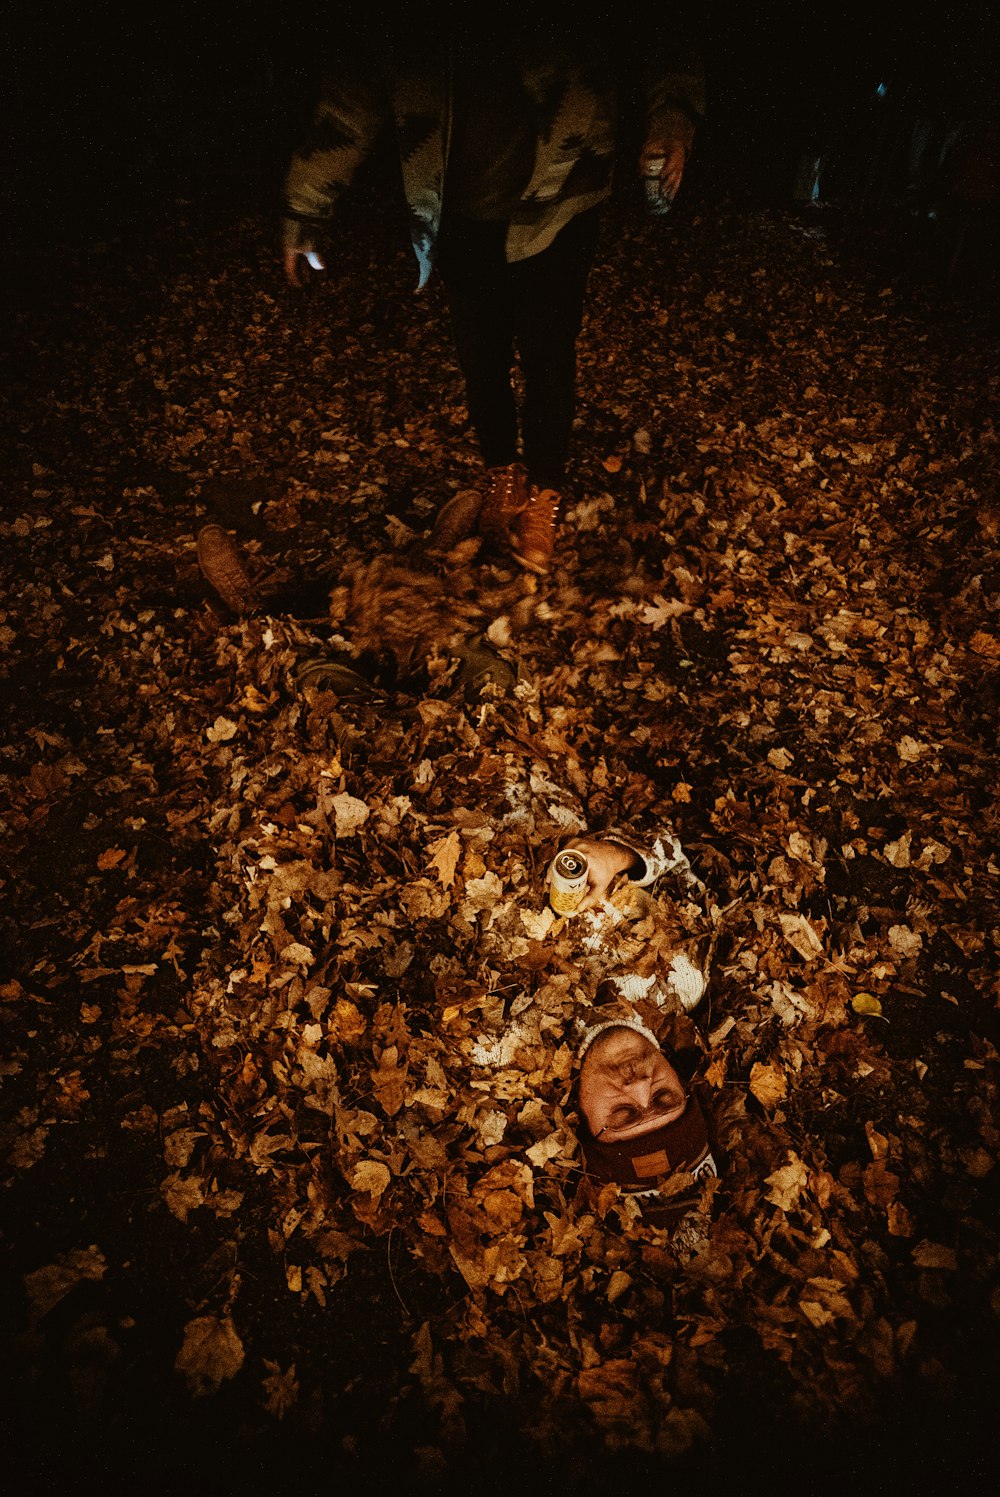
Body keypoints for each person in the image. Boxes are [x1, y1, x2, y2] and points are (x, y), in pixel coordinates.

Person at [281, 7, 705, 574]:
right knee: (480, 361)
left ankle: (545, 495)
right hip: (459, 215)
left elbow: (663, 32)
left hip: (561, 203)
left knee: (548, 357)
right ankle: (503, 475)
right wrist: (305, 209)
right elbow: (350, 97)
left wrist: (673, 120)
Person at [471, 818, 724, 1230]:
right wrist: (623, 855)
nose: (641, 1085)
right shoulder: (681, 979)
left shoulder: (504, 1044)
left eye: (624, 1115)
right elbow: (679, 861)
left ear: (580, 1120)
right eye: (664, 1101)